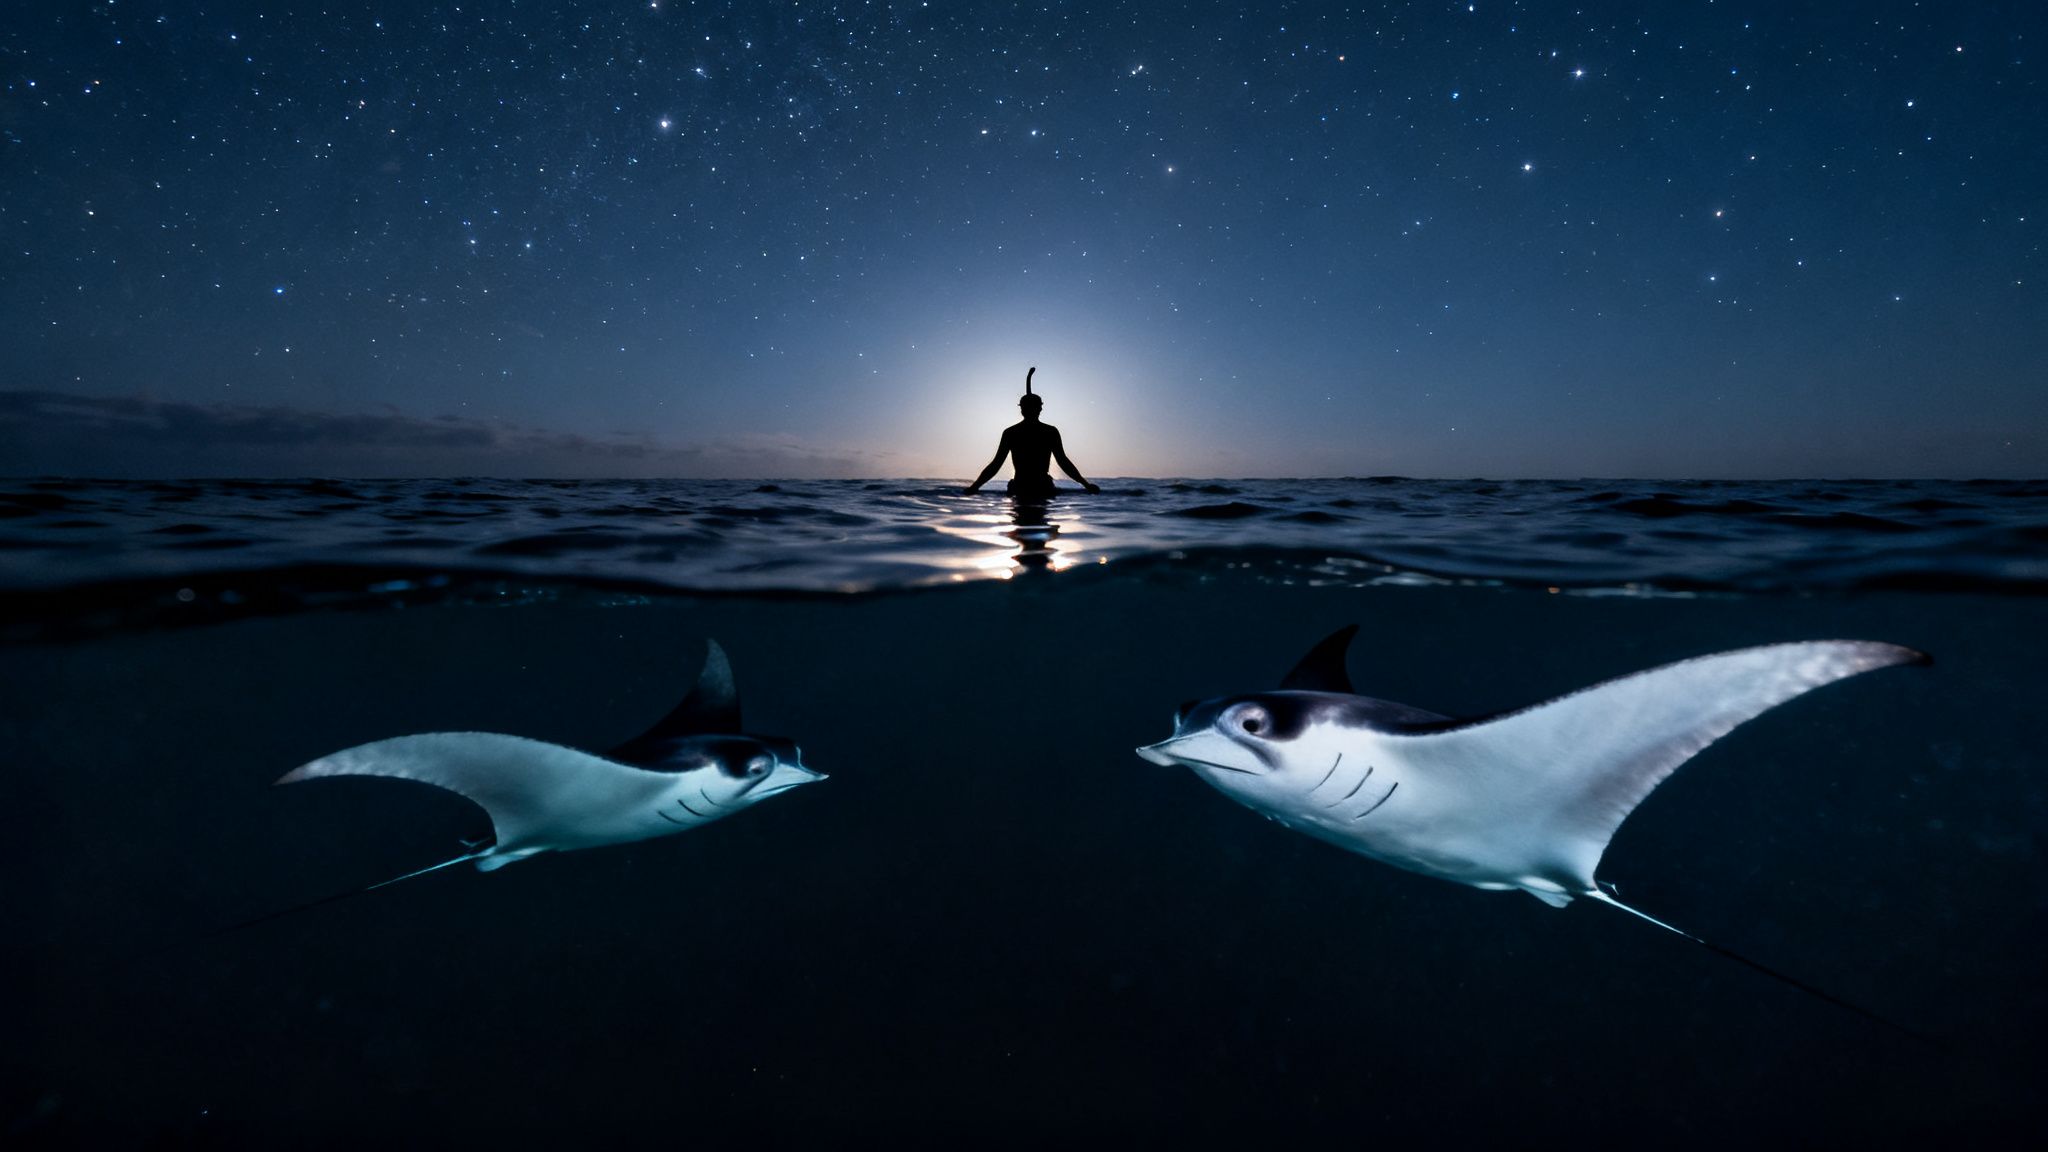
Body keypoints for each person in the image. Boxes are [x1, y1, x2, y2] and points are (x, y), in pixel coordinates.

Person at [964, 367, 1101, 498]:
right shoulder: (1041, 432)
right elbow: (996, 465)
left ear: (1023, 409)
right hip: (1037, 487)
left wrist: (974, 487)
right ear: (1039, 409)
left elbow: (1063, 462)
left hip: (1027, 487)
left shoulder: (1018, 432)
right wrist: (1086, 485)